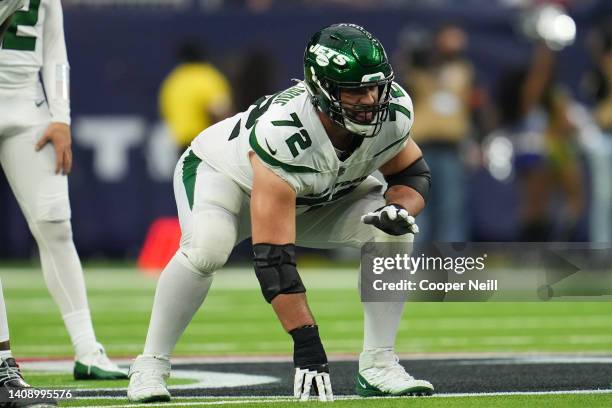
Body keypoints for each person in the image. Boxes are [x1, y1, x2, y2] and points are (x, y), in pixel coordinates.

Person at [127, 23, 434, 402]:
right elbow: (273, 260)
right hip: (226, 178)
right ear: (322, 90)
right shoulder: (284, 135)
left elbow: (411, 173)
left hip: (310, 196)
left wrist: (398, 208)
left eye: (375, 87)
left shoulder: (392, 113)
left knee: (394, 231)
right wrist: (306, 343)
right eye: (355, 90)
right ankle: (149, 367)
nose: (370, 100)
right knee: (207, 249)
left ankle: (379, 365)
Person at [0, 0, 126, 380]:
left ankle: (88, 350)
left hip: (27, 105)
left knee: (56, 224)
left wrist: (61, 116)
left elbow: (55, 48)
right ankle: (2, 361)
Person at [400, 24, 474, 242]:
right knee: (417, 206)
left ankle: (451, 267)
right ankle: (413, 264)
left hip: (452, 148)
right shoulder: (418, 71)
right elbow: (405, 77)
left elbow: (468, 109)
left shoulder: (463, 71)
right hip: (420, 149)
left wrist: (472, 141)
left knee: (452, 208)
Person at [159, 40, 233, 151]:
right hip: (206, 144)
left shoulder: (173, 81)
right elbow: (220, 110)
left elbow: (166, 111)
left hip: (182, 145)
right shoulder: (206, 76)